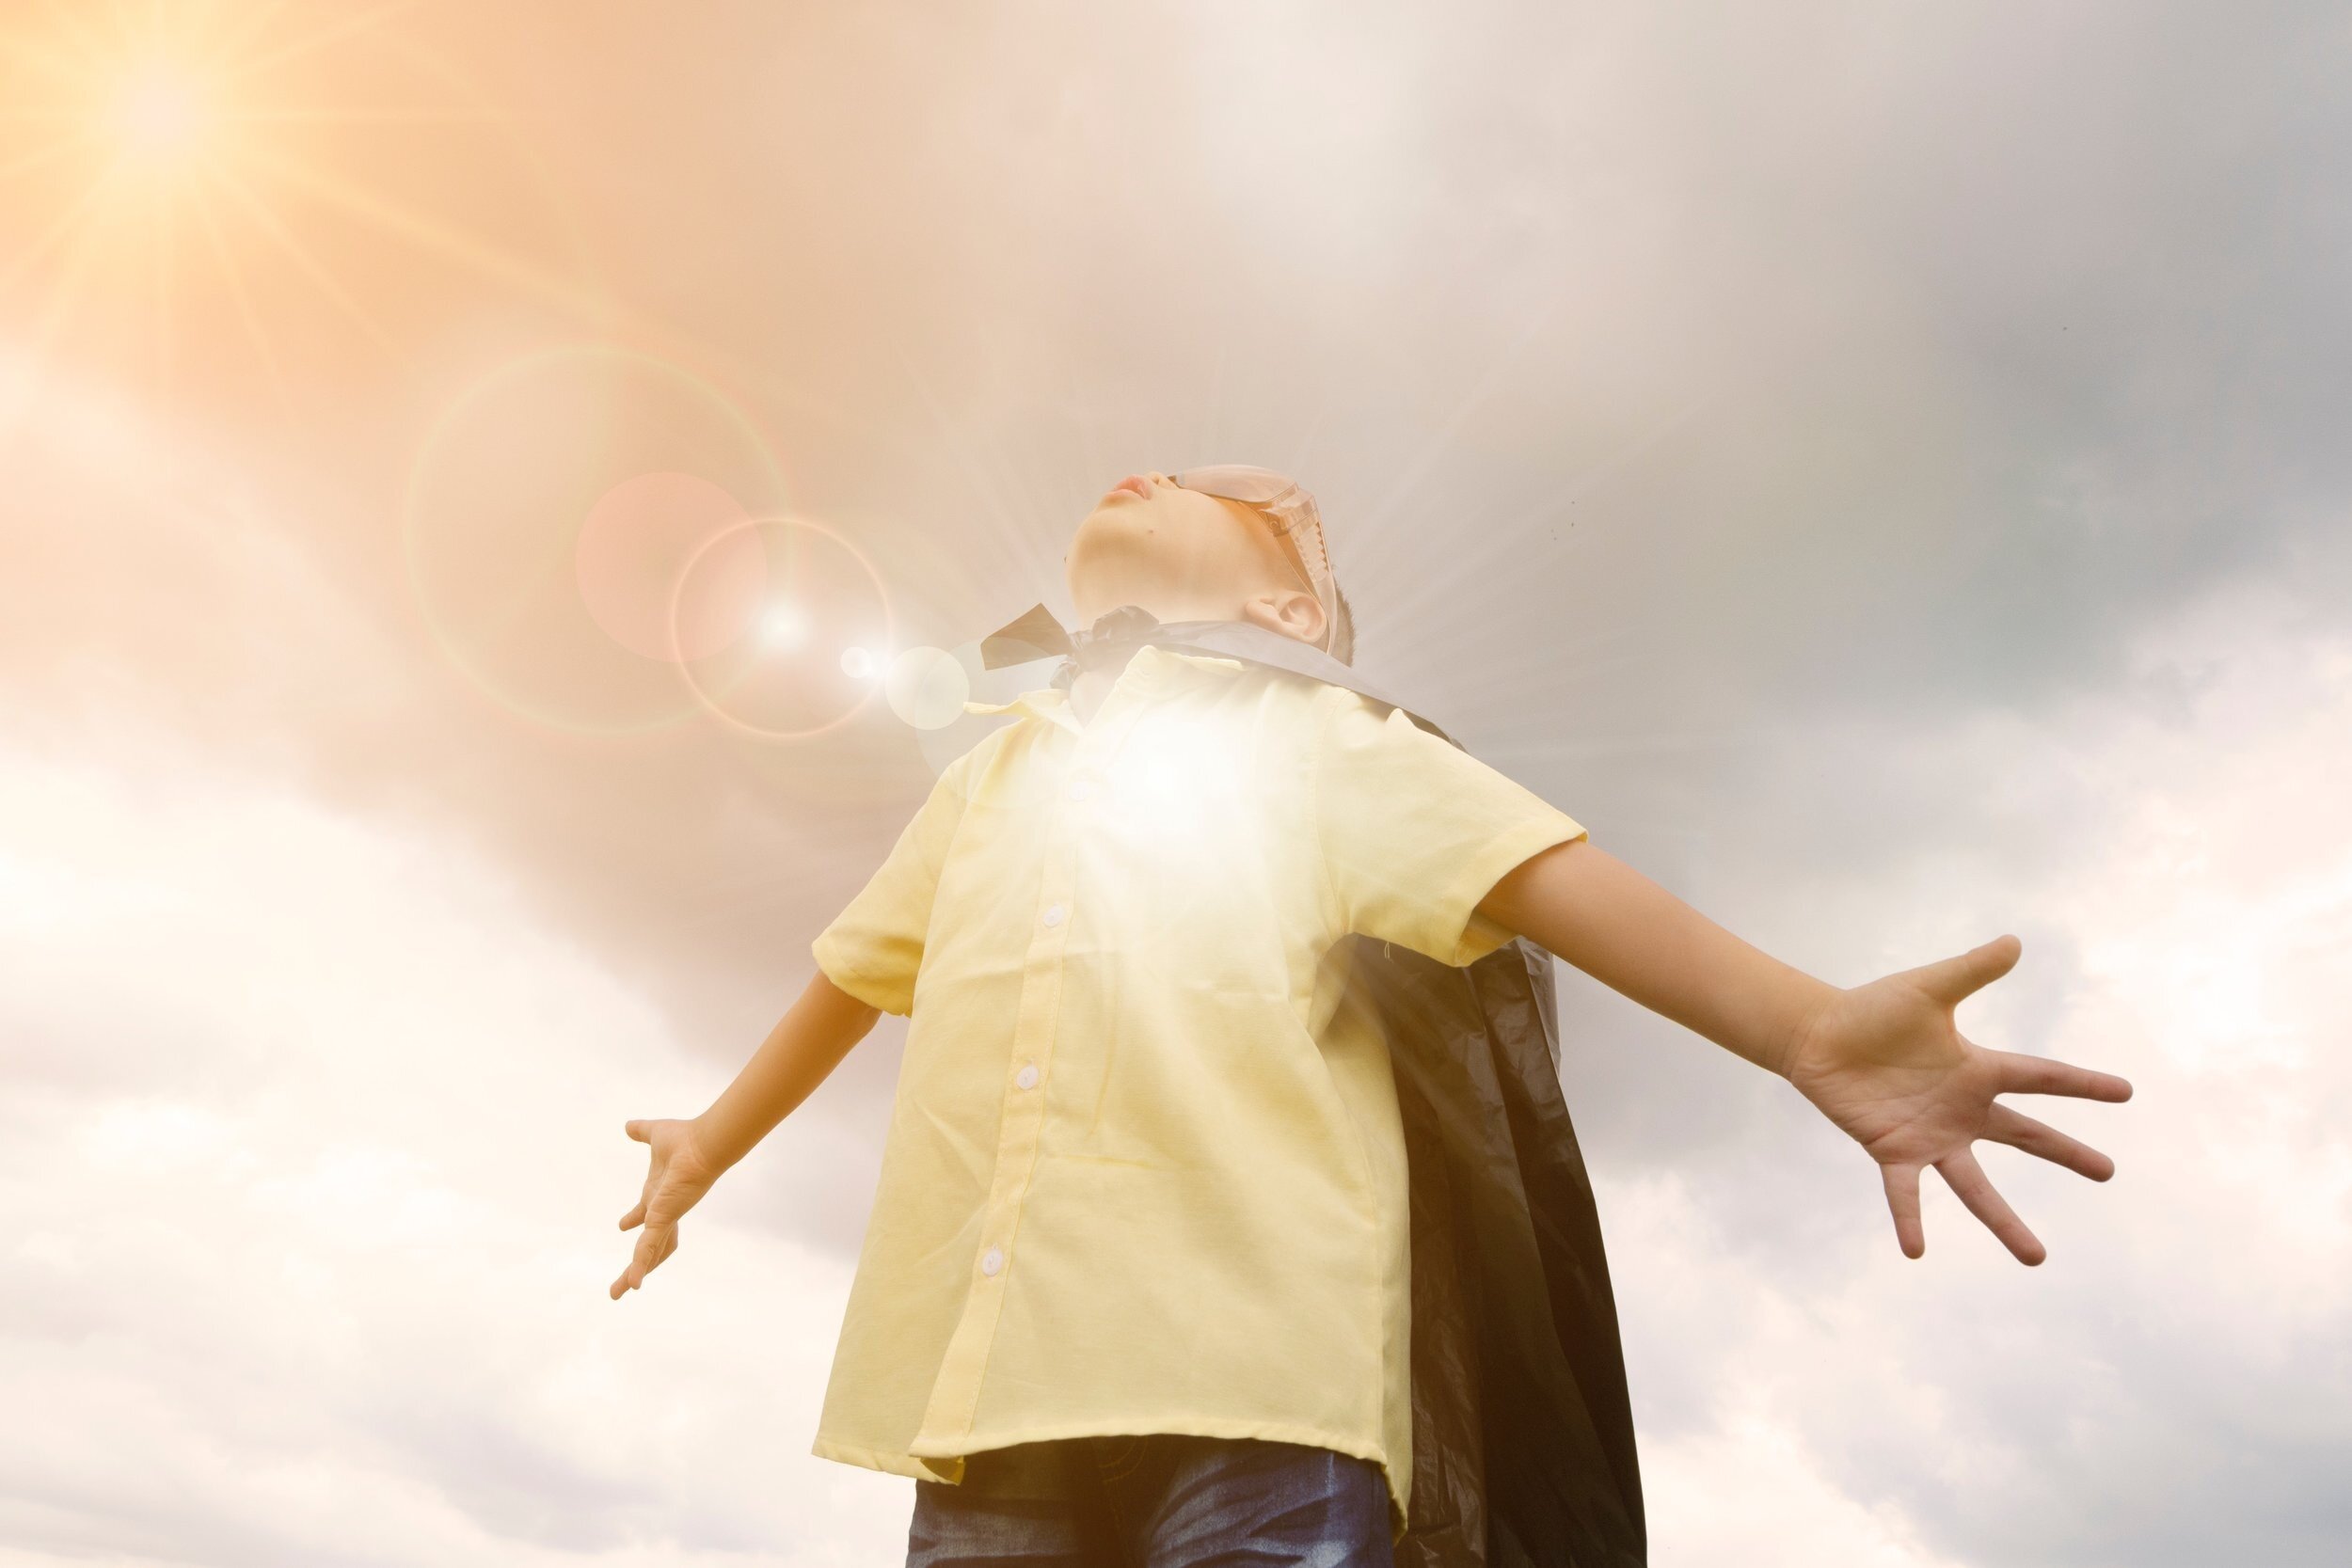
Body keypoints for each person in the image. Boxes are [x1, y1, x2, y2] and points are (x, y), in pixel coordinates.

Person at [611, 468, 2135, 1567]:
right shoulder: (989, 778)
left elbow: (1563, 884)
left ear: (1291, 604)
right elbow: (850, 981)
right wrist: (713, 1139)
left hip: (1258, 1395)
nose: (1152, 471)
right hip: (990, 1397)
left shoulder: (1329, 747)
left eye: (1227, 494)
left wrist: (1807, 1027)